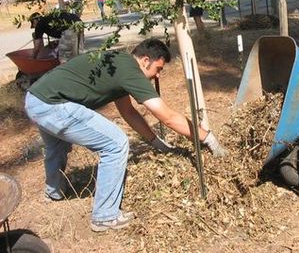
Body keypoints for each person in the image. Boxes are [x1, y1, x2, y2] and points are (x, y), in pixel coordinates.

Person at [24, 38, 227, 232]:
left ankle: (54, 192)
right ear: (145, 60)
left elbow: (128, 112)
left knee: (56, 146)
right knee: (116, 143)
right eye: (158, 69)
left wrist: (155, 142)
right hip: (52, 105)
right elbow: (168, 117)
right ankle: (105, 216)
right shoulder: (130, 71)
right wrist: (207, 137)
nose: (158, 76)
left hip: (36, 98)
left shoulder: (118, 64)